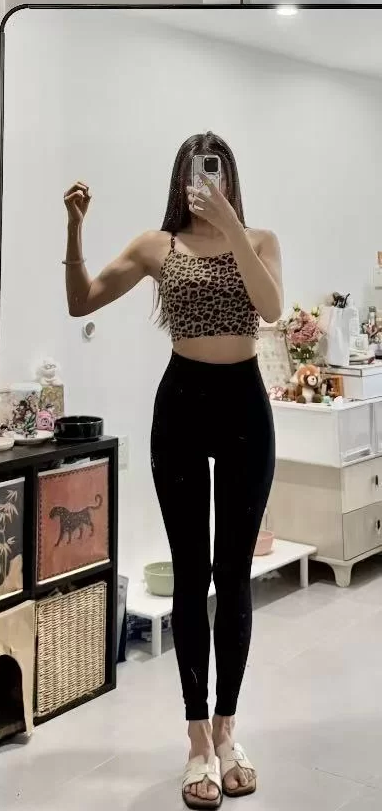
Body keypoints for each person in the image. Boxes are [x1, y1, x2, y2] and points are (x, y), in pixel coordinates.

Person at [63, 132, 283, 809]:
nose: (205, 179)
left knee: (232, 575)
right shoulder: (155, 246)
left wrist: (230, 228)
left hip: (245, 407)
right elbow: (81, 301)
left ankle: (227, 730)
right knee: (191, 574)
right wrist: (74, 230)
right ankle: (195, 740)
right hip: (182, 406)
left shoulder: (260, 240)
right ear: (180, 178)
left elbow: (271, 308)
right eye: (195, 170)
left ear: (229, 177)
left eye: (215, 170)